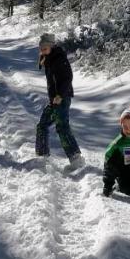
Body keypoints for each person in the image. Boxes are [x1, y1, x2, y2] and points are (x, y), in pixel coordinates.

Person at [35, 33, 83, 166]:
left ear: (52, 46)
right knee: (42, 125)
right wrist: (43, 60)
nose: (43, 50)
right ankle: (42, 156)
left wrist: (60, 95)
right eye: (41, 48)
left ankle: (76, 158)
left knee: (62, 127)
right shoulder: (49, 58)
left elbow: (68, 78)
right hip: (54, 100)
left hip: (62, 98)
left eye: (45, 48)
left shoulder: (59, 58)